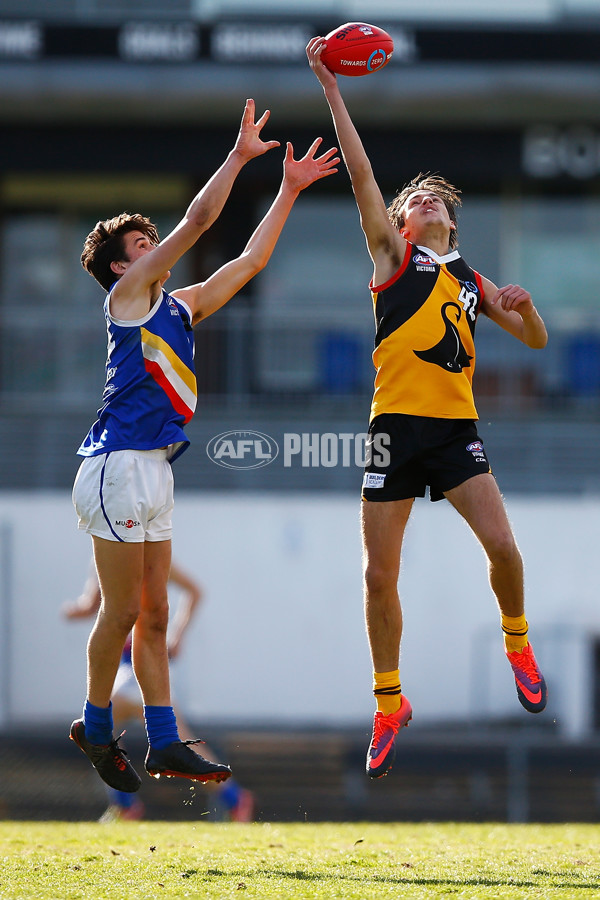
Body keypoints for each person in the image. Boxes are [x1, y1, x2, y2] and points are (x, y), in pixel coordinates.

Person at [71, 96, 339, 794]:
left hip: (154, 468)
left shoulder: (179, 305)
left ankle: (164, 741)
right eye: (139, 243)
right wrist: (241, 156)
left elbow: (247, 262)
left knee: (154, 614)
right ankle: (96, 723)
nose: (150, 245)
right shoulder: (126, 296)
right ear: (119, 267)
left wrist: (285, 189)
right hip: (117, 463)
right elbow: (199, 221)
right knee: (123, 612)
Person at [306, 40, 549, 780]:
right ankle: (389, 702)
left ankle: (516, 639)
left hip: (454, 433)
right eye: (414, 200)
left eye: (435, 199)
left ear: (451, 224)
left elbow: (535, 342)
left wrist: (526, 310)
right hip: (389, 434)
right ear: (401, 226)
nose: (426, 201)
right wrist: (331, 86)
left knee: (504, 551)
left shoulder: (470, 277)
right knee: (379, 578)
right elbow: (361, 175)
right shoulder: (392, 260)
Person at [63, 561, 255, 822]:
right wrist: (78, 611)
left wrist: (178, 634)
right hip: (126, 664)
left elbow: (194, 591)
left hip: (146, 663)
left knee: (98, 735)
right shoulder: (106, 552)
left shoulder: (150, 551)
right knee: (99, 737)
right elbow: (93, 604)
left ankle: (128, 805)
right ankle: (232, 798)